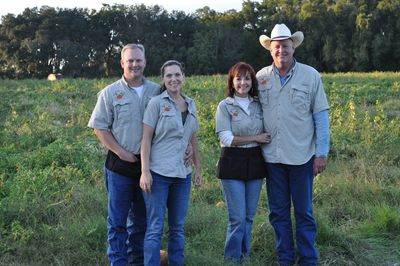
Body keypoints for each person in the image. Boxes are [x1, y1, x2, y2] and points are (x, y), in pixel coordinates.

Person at [256, 23, 330, 266]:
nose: (281, 51)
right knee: (278, 213)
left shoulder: (310, 76)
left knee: (304, 212)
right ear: (271, 50)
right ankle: (285, 258)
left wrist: (321, 153)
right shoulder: (261, 78)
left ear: (293, 48)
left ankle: (308, 258)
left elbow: (320, 115)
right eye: (277, 47)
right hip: (272, 159)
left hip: (301, 157)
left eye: (285, 46)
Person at [88, 43, 160, 266]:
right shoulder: (110, 93)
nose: (135, 64)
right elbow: (100, 127)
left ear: (145, 62)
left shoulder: (157, 91)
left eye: (139, 60)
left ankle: (136, 261)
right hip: (119, 166)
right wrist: (120, 152)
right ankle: (118, 262)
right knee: (117, 222)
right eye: (130, 60)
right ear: (122, 63)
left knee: (141, 221)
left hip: (147, 166)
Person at [139, 60, 202, 266]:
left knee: (177, 227)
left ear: (183, 76)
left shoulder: (191, 103)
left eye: (177, 75)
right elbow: (146, 139)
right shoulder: (156, 103)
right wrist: (145, 171)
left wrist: (198, 169)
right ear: (163, 79)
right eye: (169, 76)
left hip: (183, 175)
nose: (173, 79)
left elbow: (192, 138)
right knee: (155, 226)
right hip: (158, 174)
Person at [215, 62, 271, 263]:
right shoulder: (225, 106)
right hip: (232, 162)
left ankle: (244, 256)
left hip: (255, 161)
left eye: (247, 78)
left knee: (249, 216)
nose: (243, 82)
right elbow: (227, 138)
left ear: (252, 82)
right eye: (238, 78)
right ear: (232, 81)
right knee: (237, 218)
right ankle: (231, 258)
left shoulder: (259, 104)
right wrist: (256, 137)